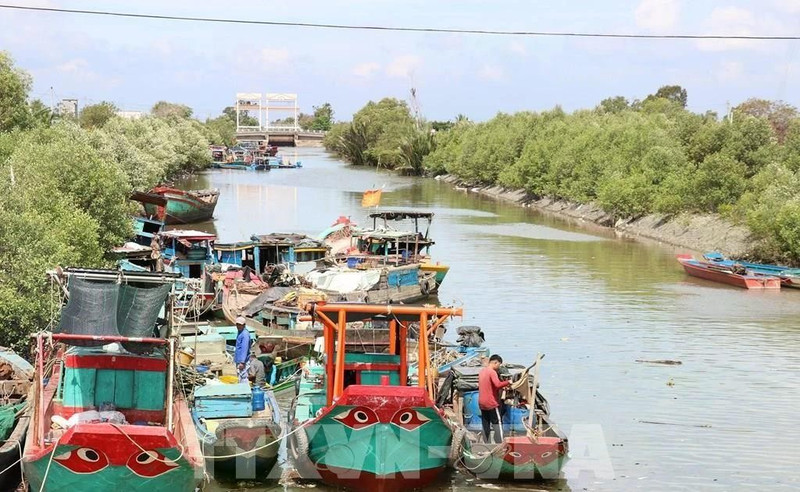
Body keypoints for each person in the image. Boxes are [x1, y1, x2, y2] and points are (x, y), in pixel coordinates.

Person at [479, 354, 511, 444]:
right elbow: (497, 384)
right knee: (497, 423)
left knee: (486, 424)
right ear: (495, 362)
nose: (498, 367)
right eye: (499, 365)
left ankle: (486, 444)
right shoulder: (492, 372)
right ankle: (500, 443)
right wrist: (508, 382)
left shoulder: (482, 371)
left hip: (482, 402)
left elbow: (490, 385)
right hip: (491, 403)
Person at [234, 316, 251, 383]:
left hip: (243, 361)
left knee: (243, 376)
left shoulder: (245, 334)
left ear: (244, 325)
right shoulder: (240, 332)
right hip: (239, 359)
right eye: (237, 324)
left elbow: (245, 348)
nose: (238, 326)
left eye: (240, 325)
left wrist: (242, 362)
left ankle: (244, 390)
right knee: (239, 376)